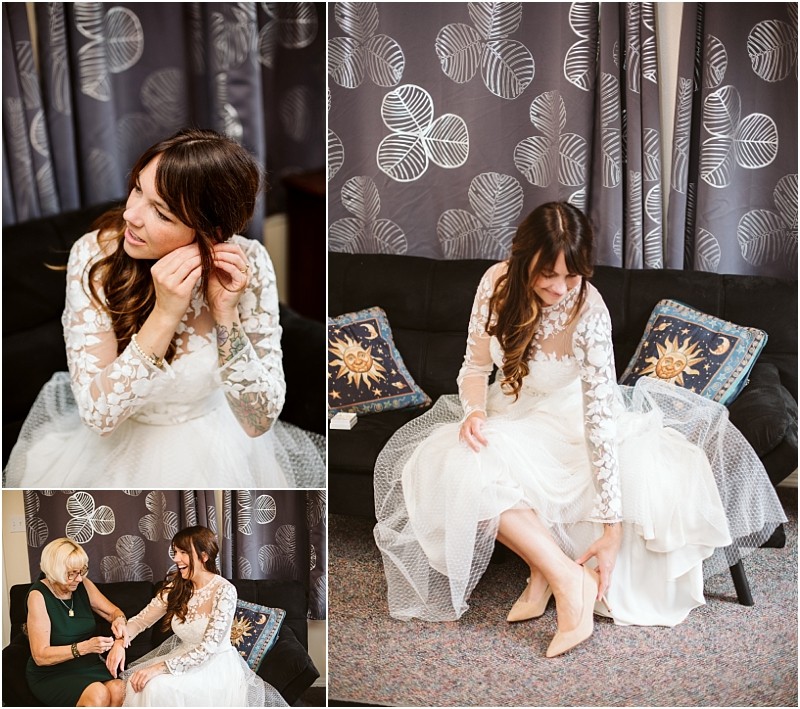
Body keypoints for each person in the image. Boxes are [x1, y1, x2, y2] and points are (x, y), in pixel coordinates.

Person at [373, 201, 787, 657]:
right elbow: (473, 368)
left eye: (571, 275)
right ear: (522, 258)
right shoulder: (495, 282)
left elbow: (600, 419)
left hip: (576, 424)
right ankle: (565, 576)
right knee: (452, 460)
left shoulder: (589, 312)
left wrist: (611, 529)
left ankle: (558, 580)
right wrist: (473, 412)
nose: (559, 287)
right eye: (547, 274)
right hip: (509, 411)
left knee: (495, 467)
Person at [4, 128, 324, 489]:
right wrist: (167, 312)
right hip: (115, 453)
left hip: (222, 447)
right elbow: (99, 417)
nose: (130, 215)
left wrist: (225, 313)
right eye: (137, 188)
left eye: (161, 213)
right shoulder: (95, 256)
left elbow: (257, 421)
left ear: (213, 232)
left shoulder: (249, 263)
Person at [104, 525, 287, 707]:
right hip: (181, 658)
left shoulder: (224, 590)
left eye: (183, 552)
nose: (176, 558)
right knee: (142, 685)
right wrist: (120, 641)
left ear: (204, 556)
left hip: (214, 667)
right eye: (175, 552)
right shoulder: (175, 587)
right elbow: (142, 620)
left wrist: (158, 669)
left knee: (154, 686)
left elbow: (208, 648)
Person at [25, 538, 127, 706]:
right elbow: (40, 656)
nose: (79, 579)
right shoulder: (38, 596)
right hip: (53, 672)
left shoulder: (83, 585)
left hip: (87, 665)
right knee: (98, 694)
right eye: (72, 573)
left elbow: (116, 613)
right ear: (55, 571)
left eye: (81, 571)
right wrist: (86, 647)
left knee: (118, 688)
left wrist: (120, 631)